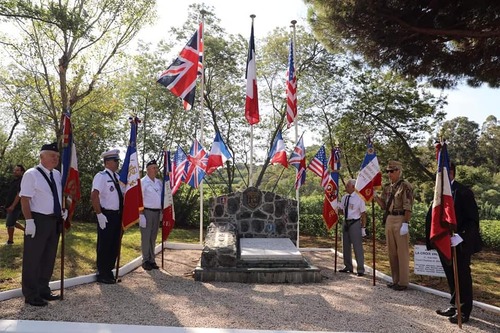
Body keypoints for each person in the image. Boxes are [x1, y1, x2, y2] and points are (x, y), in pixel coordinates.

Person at [426, 162, 482, 324]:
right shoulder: (439, 192)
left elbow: (472, 220)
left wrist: (460, 236)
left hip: (460, 242)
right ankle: (455, 304)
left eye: (442, 173)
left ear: (451, 173)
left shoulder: (463, 192)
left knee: (462, 275)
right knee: (451, 275)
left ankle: (464, 311)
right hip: (445, 242)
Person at [20, 143, 66, 306]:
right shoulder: (31, 174)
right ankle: (31, 294)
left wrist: (62, 210)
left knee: (48, 257)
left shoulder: (57, 175)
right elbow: (25, 199)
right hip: (38, 220)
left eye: (57, 156)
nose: (56, 158)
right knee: (33, 258)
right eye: (52, 155)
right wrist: (29, 221)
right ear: (42, 156)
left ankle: (43, 289)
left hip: (54, 220)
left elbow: (57, 196)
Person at [374, 160, 413, 291]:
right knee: (392, 252)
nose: (389, 174)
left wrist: (406, 223)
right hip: (390, 218)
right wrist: (375, 196)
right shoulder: (387, 187)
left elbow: (408, 206)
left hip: (401, 218)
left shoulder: (405, 186)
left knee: (402, 252)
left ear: (398, 171)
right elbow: (384, 205)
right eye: (388, 171)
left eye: (392, 171)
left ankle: (403, 282)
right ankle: (395, 280)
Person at [91, 149, 124, 284]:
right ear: (108, 162)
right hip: (106, 215)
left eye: (117, 161)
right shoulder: (102, 176)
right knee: (105, 244)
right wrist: (99, 214)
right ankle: (102, 272)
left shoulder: (117, 178)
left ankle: (109, 270)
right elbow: (94, 195)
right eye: (115, 161)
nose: (117, 163)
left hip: (117, 216)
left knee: (114, 244)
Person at [338, 179, 367, 276]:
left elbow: (363, 214)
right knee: (345, 246)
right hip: (346, 222)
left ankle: (360, 269)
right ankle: (348, 266)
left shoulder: (359, 198)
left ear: (353, 187)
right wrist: (336, 206)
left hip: (355, 223)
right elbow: (342, 210)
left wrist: (363, 227)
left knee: (357, 246)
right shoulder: (345, 197)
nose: (345, 188)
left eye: (347, 186)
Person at [139, 160, 162, 271]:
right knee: (146, 237)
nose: (156, 170)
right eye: (153, 168)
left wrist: (162, 212)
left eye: (156, 168)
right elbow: (139, 199)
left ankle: (152, 260)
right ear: (148, 169)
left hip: (157, 212)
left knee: (153, 238)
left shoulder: (159, 182)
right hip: (146, 212)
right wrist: (141, 214)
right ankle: (145, 260)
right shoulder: (143, 182)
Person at [5, 164, 26, 245]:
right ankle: (26, 231)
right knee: (12, 222)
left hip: (15, 206)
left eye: (17, 170)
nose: (15, 171)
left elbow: (19, 194)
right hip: (10, 205)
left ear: (22, 172)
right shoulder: (14, 181)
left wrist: (12, 206)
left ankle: (10, 241)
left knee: (10, 224)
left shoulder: (22, 181)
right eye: (14, 170)